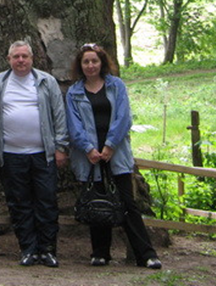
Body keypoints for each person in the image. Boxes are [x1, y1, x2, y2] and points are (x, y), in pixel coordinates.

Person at [65, 43, 162, 270]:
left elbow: (123, 117)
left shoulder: (116, 86)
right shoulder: (75, 92)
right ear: (80, 65)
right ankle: (100, 253)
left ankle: (146, 254)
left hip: (115, 154)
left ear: (102, 63)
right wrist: (88, 148)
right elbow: (73, 124)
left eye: (94, 61)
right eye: (86, 62)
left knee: (127, 203)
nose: (90, 65)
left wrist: (109, 145)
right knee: (97, 204)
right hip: (90, 157)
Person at [0, 40, 68, 268]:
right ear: (9, 60)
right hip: (10, 154)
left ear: (32, 59)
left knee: (47, 202)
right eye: (16, 57)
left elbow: (58, 115)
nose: (20, 60)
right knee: (19, 203)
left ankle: (48, 250)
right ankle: (28, 249)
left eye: (24, 56)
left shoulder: (46, 81)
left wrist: (60, 147)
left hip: (43, 154)